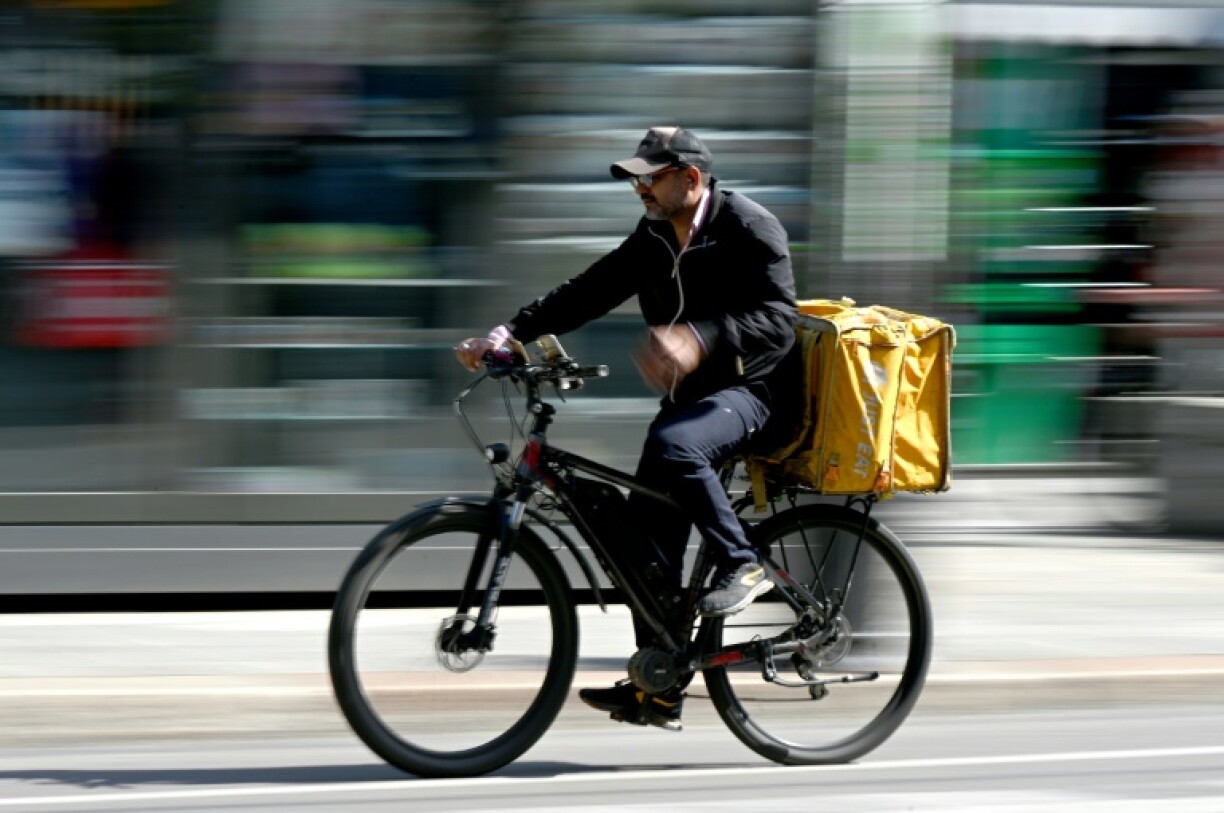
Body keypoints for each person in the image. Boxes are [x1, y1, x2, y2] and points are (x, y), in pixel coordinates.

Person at [454, 126, 798, 731]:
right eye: (636, 178)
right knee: (643, 546)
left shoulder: (750, 227)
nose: (639, 187)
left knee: (675, 445)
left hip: (755, 393)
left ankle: (744, 563)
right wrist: (510, 333)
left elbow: (780, 320)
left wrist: (700, 336)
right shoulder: (654, 236)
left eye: (651, 177)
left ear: (690, 179)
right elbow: (593, 287)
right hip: (691, 402)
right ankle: (660, 686)